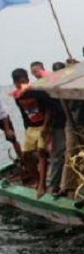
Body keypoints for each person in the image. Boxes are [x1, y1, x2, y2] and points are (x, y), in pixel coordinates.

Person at [11, 68, 51, 197]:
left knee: (41, 152)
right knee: (26, 155)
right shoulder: (18, 97)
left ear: (27, 80)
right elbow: (24, 115)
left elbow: (49, 109)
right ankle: (37, 179)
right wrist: (26, 130)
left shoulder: (38, 92)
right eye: (17, 83)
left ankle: (42, 185)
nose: (20, 85)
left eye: (23, 81)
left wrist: (46, 126)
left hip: (43, 126)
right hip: (31, 128)